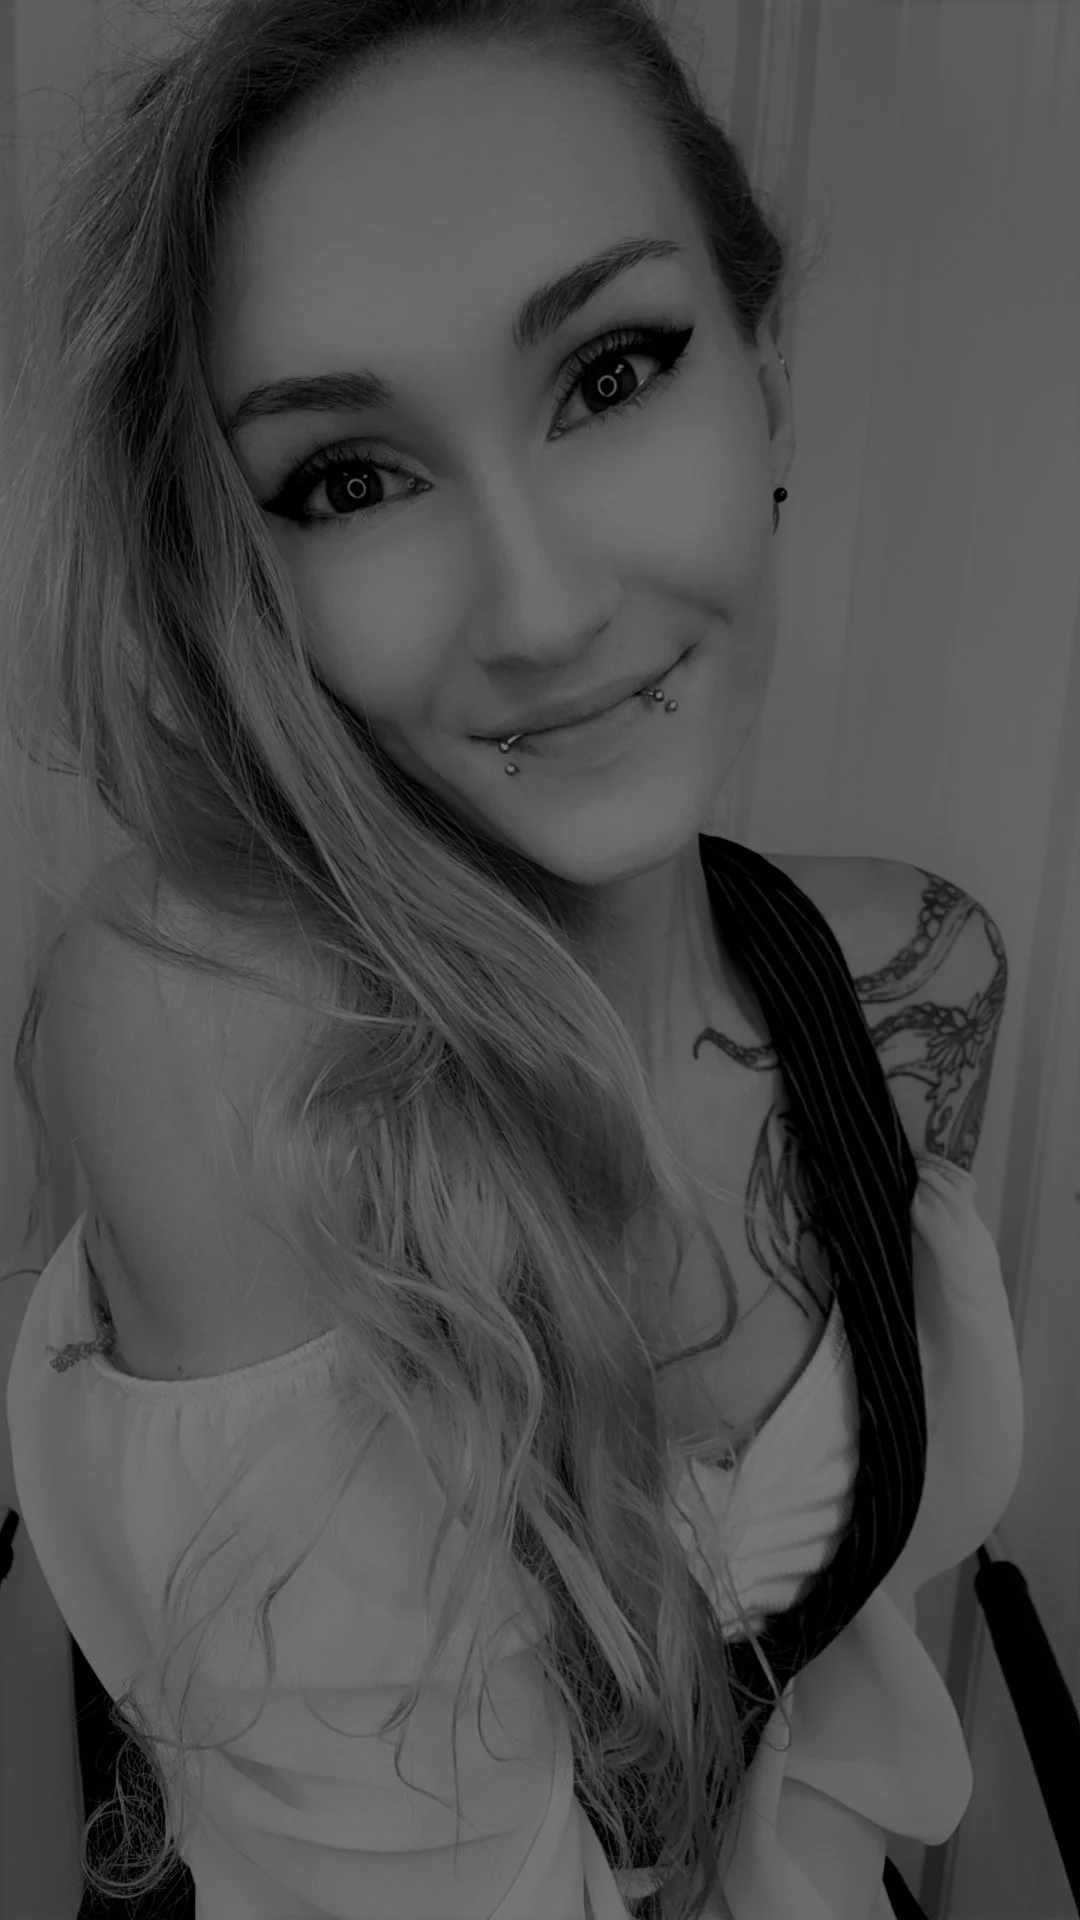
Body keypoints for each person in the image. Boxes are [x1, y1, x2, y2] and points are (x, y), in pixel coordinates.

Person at [2, 0, 1021, 1915]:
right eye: (351, 478)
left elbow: (850, 1668)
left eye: (612, 372)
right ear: (248, 583)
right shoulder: (200, 1030)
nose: (543, 608)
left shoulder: (924, 976)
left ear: (768, 381)